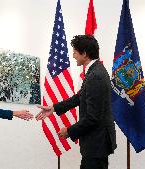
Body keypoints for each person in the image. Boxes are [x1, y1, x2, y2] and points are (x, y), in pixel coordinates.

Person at [36, 35, 117, 169]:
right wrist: (54, 108)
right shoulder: (94, 71)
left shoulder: (96, 76)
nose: (73, 55)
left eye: (74, 52)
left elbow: (93, 117)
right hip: (95, 143)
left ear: (84, 53)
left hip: (97, 143)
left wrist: (69, 131)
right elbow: (80, 97)